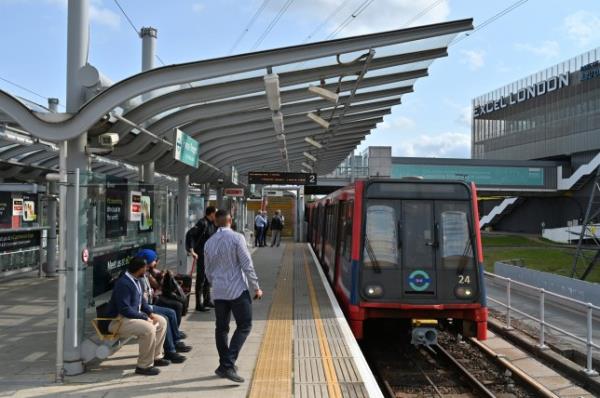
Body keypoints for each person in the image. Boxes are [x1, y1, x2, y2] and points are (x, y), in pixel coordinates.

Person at [204, 209, 263, 383]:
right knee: (245, 325)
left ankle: (224, 364)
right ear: (231, 220)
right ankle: (228, 365)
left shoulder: (209, 242)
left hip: (219, 291)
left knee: (221, 328)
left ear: (216, 222)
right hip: (237, 290)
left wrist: (215, 284)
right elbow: (247, 264)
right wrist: (256, 287)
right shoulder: (237, 238)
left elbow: (207, 271)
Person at [106, 257, 168, 376]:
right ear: (139, 269)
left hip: (130, 318)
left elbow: (142, 302)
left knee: (161, 321)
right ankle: (143, 366)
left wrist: (150, 314)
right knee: (148, 329)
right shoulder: (123, 283)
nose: (146, 271)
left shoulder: (136, 280)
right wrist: (145, 318)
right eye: (145, 269)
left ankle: (156, 357)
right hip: (117, 321)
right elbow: (124, 309)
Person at [187, 206, 218, 311]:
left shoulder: (213, 224)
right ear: (211, 214)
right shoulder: (202, 223)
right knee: (201, 279)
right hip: (202, 254)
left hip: (210, 256)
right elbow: (190, 234)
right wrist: (192, 250)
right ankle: (198, 304)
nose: (217, 215)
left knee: (208, 278)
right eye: (215, 213)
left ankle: (207, 300)